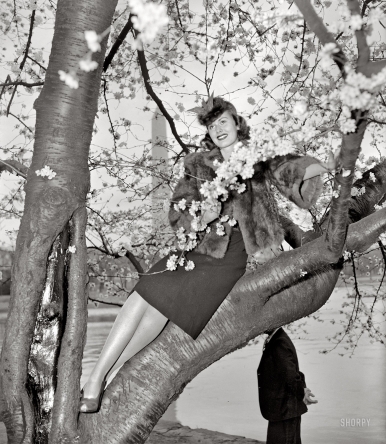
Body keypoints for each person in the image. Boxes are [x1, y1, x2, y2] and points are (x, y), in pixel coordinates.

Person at [80, 96, 336, 413]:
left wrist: (315, 169)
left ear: (236, 122)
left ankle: (102, 378)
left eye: (223, 122)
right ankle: (98, 377)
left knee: (156, 303)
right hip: (201, 248)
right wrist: (201, 215)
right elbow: (178, 213)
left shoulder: (257, 158)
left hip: (239, 256)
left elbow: (290, 172)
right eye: (212, 126)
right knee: (144, 298)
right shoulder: (199, 165)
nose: (218, 129)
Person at [257, 327, 318, 444]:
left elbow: (290, 375)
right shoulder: (277, 339)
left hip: (285, 411)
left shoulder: (279, 342)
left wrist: (302, 392)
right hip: (282, 411)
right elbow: (293, 372)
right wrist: (303, 390)